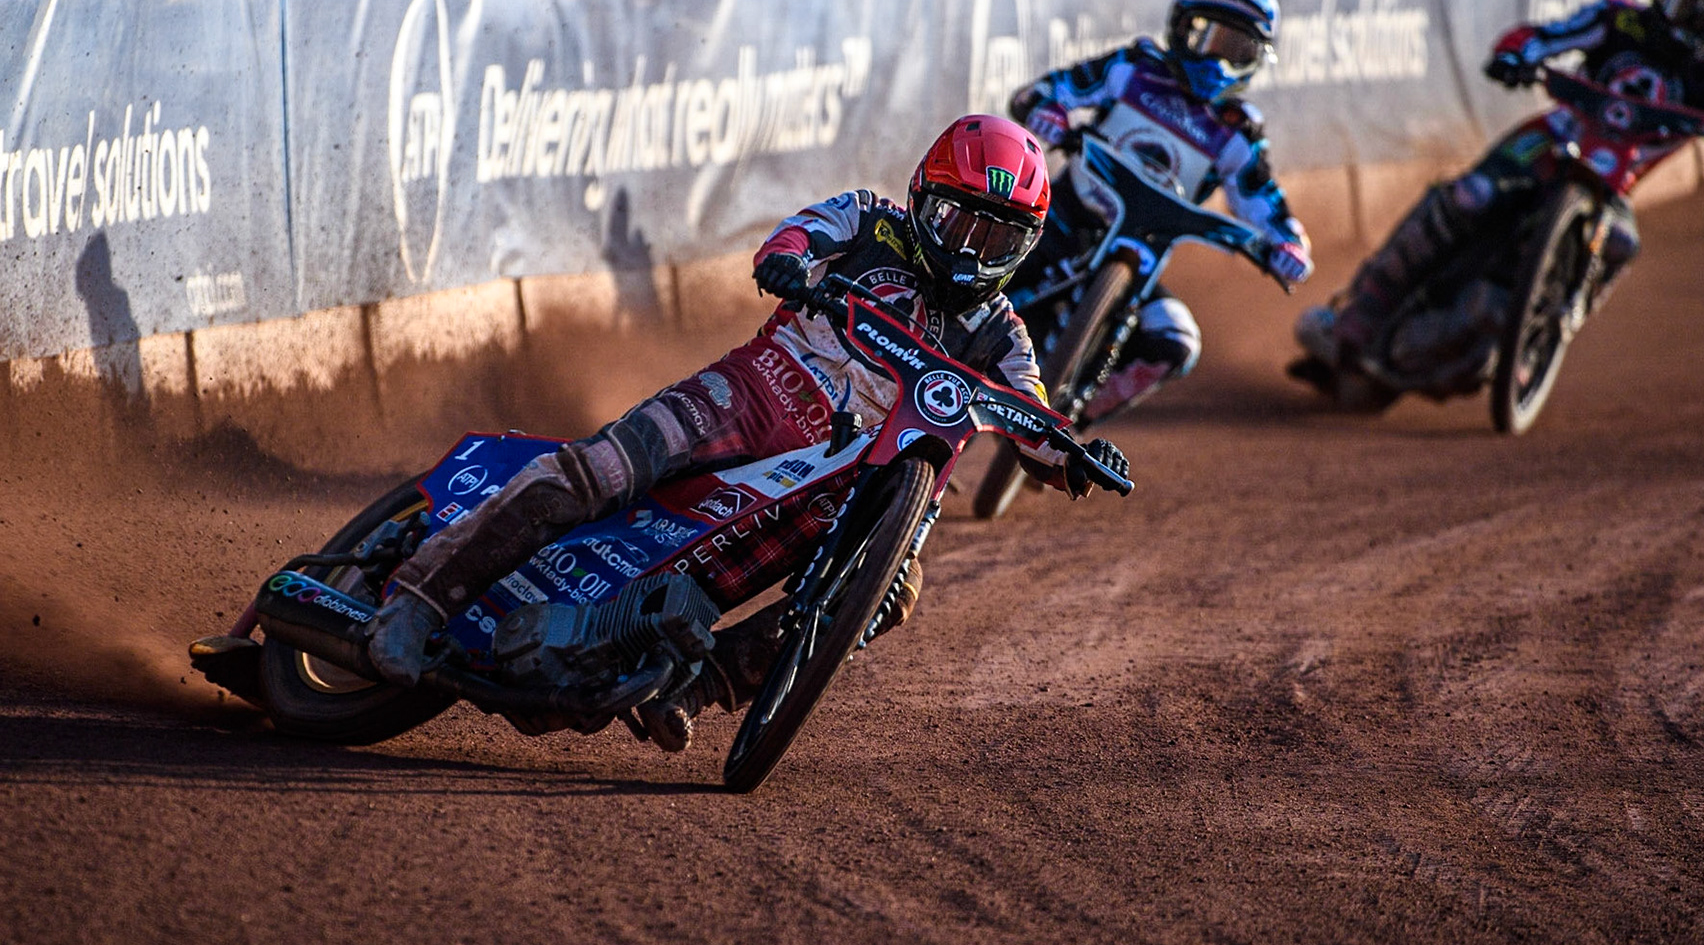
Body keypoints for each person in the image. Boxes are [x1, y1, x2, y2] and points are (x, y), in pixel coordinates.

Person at [367, 116, 1131, 749]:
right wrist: (792, 265)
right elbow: (791, 237)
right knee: (598, 471)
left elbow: (1033, 414)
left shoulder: (1002, 333)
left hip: (838, 484)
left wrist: (1074, 452)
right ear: (923, 196)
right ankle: (420, 598)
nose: (969, 251)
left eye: (995, 239)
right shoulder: (871, 219)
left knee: (894, 590)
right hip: (750, 393)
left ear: (1025, 246)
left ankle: (700, 686)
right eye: (958, 221)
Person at [1297, 0, 1704, 370]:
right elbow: (1542, 38)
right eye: (1677, 1)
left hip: (1613, 187)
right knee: (1470, 196)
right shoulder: (1616, 19)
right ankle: (1359, 314)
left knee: (1622, 244)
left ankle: (1544, 338)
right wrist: (1515, 57)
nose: (1686, 19)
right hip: (1551, 141)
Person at [1004, 0, 1315, 421]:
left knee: (1176, 342)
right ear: (1178, 28)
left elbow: (1261, 199)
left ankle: (1070, 425)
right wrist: (1046, 110)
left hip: (1139, 264)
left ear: (1254, 62)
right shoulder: (1134, 67)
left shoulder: (1237, 132)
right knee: (970, 288)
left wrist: (1287, 243)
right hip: (1061, 224)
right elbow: (1047, 91)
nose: (1214, 62)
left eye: (1236, 51)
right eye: (1206, 38)